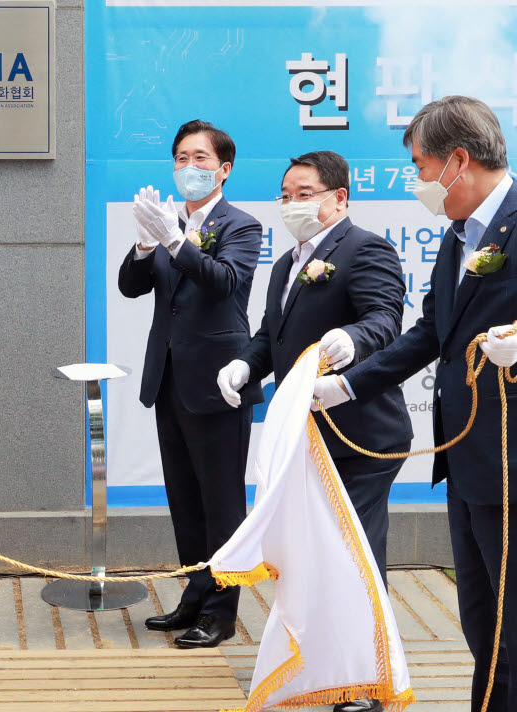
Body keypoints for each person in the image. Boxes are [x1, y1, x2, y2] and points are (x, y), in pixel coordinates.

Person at [315, 96, 517, 712]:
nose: (419, 182)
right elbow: (431, 333)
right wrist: (346, 385)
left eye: (421, 166)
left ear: (459, 161)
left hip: (512, 466)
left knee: (512, 633)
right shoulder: (459, 238)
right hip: (467, 462)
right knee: (481, 623)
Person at [219, 150, 413, 712]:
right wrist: (246, 365)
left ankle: (368, 683)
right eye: (285, 194)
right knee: (317, 559)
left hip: (359, 436)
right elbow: (269, 337)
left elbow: (384, 320)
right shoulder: (284, 265)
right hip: (306, 439)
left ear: (339, 198)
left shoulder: (366, 249)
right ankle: (324, 668)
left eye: (305, 193)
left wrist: (351, 343)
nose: (292, 204)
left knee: (353, 557)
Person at [120, 119, 263, 649]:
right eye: (181, 157)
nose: (189, 167)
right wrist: (142, 243)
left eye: (201, 158)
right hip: (170, 380)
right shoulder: (165, 223)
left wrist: (176, 240)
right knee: (184, 498)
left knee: (222, 501)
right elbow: (132, 287)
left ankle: (222, 612)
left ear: (224, 169)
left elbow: (224, 281)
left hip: (220, 383)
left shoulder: (241, 226)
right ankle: (194, 595)